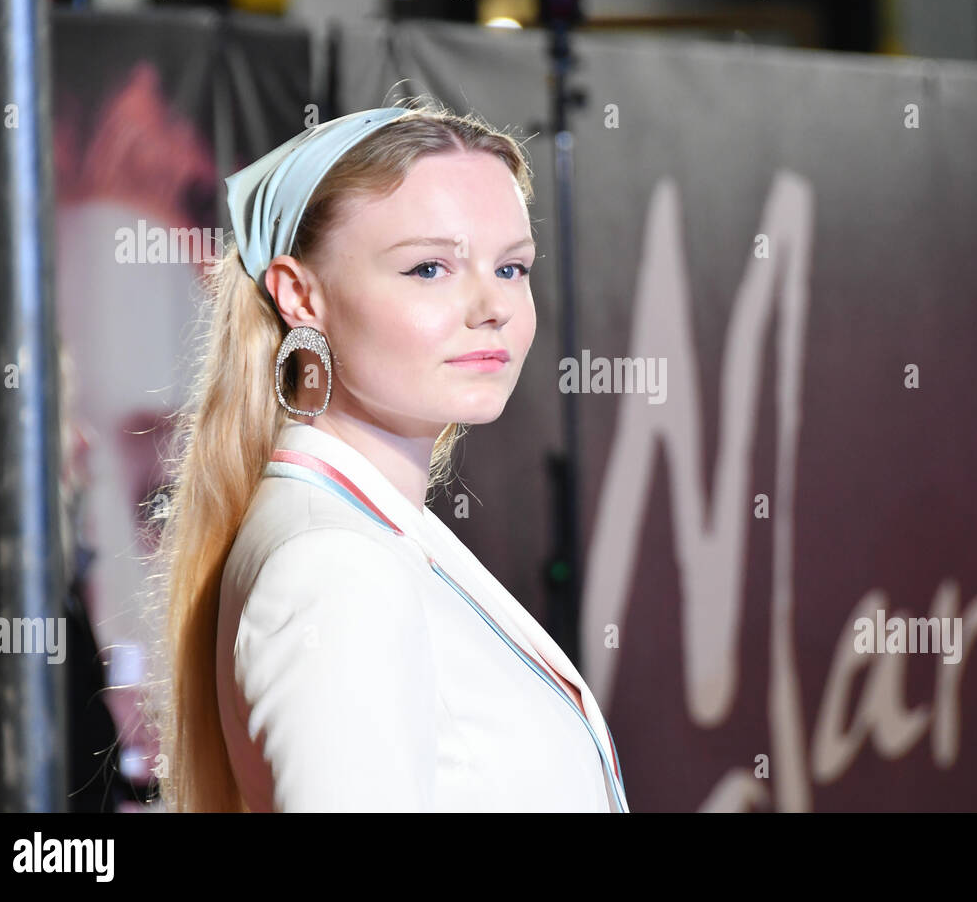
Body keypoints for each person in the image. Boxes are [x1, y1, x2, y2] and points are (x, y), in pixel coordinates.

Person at [145, 103, 629, 812]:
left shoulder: (363, 533)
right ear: (300, 295)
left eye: (512, 266)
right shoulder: (334, 564)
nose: (491, 305)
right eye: (429, 267)